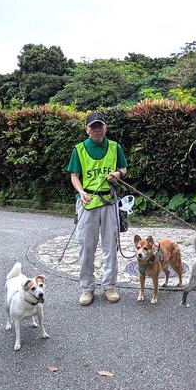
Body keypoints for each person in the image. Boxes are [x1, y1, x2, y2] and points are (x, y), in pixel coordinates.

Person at [67, 111, 128, 306]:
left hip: (109, 201)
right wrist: (81, 192)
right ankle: (87, 288)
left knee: (111, 246)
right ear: (86, 129)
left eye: (99, 126)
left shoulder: (115, 147)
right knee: (86, 247)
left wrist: (118, 173)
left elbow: (124, 169)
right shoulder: (79, 150)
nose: (96, 130)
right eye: (92, 126)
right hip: (88, 202)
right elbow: (74, 175)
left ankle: (109, 286)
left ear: (105, 128)